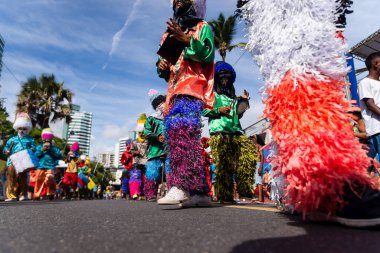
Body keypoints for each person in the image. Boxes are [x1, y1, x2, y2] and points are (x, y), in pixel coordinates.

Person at [156, 0, 215, 206]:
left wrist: (186, 39)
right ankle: (200, 193)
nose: (177, 0)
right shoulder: (168, 33)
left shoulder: (202, 27)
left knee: (181, 131)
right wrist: (162, 65)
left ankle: (180, 185)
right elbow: (164, 71)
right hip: (174, 90)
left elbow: (207, 55)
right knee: (183, 138)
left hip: (191, 87)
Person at [203, 61, 257, 203]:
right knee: (224, 165)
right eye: (222, 77)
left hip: (236, 132)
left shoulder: (233, 98)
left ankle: (245, 191)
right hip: (219, 133)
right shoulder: (212, 96)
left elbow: (238, 115)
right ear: (217, 79)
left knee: (249, 153)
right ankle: (225, 196)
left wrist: (243, 103)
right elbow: (203, 110)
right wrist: (218, 110)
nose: (225, 79)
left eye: (227, 77)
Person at [144, 90, 170, 202]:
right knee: (152, 172)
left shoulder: (170, 117)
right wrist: (157, 136)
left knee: (170, 170)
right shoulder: (151, 118)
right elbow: (147, 132)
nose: (162, 104)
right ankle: (150, 194)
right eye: (158, 102)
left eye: (163, 101)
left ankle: (172, 191)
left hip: (168, 149)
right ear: (155, 105)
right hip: (154, 150)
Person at [2, 113, 36, 201]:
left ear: (27, 129)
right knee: (11, 176)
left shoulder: (30, 139)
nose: (22, 130)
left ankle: (23, 194)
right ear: (17, 128)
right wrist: (6, 151)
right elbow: (5, 149)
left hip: (24, 161)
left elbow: (34, 148)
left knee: (22, 177)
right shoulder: (12, 139)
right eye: (20, 128)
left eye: (24, 129)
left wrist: (32, 149)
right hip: (12, 160)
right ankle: (11, 196)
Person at [34, 128, 61, 200]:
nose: (47, 139)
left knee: (50, 177)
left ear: (51, 138)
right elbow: (36, 155)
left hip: (50, 167)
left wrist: (50, 150)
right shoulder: (39, 146)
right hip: (40, 166)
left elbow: (58, 156)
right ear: (43, 138)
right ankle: (37, 195)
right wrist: (42, 150)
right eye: (45, 137)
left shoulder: (55, 149)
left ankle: (51, 193)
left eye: (48, 138)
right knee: (39, 180)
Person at [130, 114, 149, 200]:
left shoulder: (148, 140)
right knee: (135, 176)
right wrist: (135, 152)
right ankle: (135, 193)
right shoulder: (134, 141)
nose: (141, 134)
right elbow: (131, 150)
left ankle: (144, 193)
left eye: (142, 132)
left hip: (146, 161)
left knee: (146, 178)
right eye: (139, 132)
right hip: (137, 161)